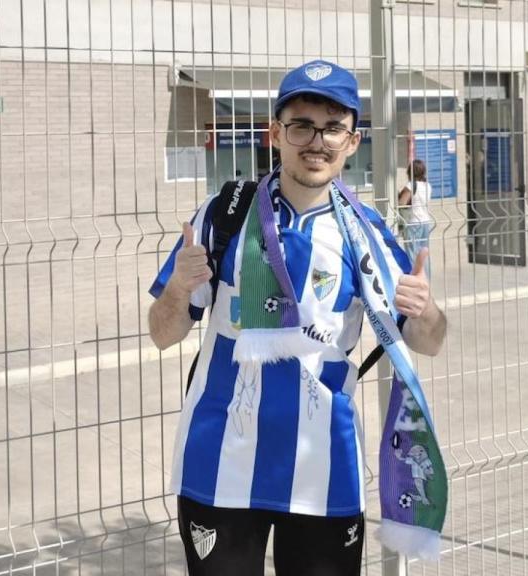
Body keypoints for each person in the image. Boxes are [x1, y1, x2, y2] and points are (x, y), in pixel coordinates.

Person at [148, 60, 447, 576]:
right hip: (220, 463)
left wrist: (426, 310)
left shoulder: (368, 234)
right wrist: (178, 286)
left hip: (322, 470)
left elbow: (430, 340)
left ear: (352, 142)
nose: (317, 141)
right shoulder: (224, 214)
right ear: (275, 134)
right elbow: (162, 332)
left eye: (333, 127)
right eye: (302, 125)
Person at [398, 159, 434, 278]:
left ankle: (416, 279)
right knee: (423, 253)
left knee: (413, 254)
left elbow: (402, 203)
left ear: (410, 172)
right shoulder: (427, 185)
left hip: (413, 222)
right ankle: (426, 279)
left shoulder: (411, 185)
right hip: (425, 222)